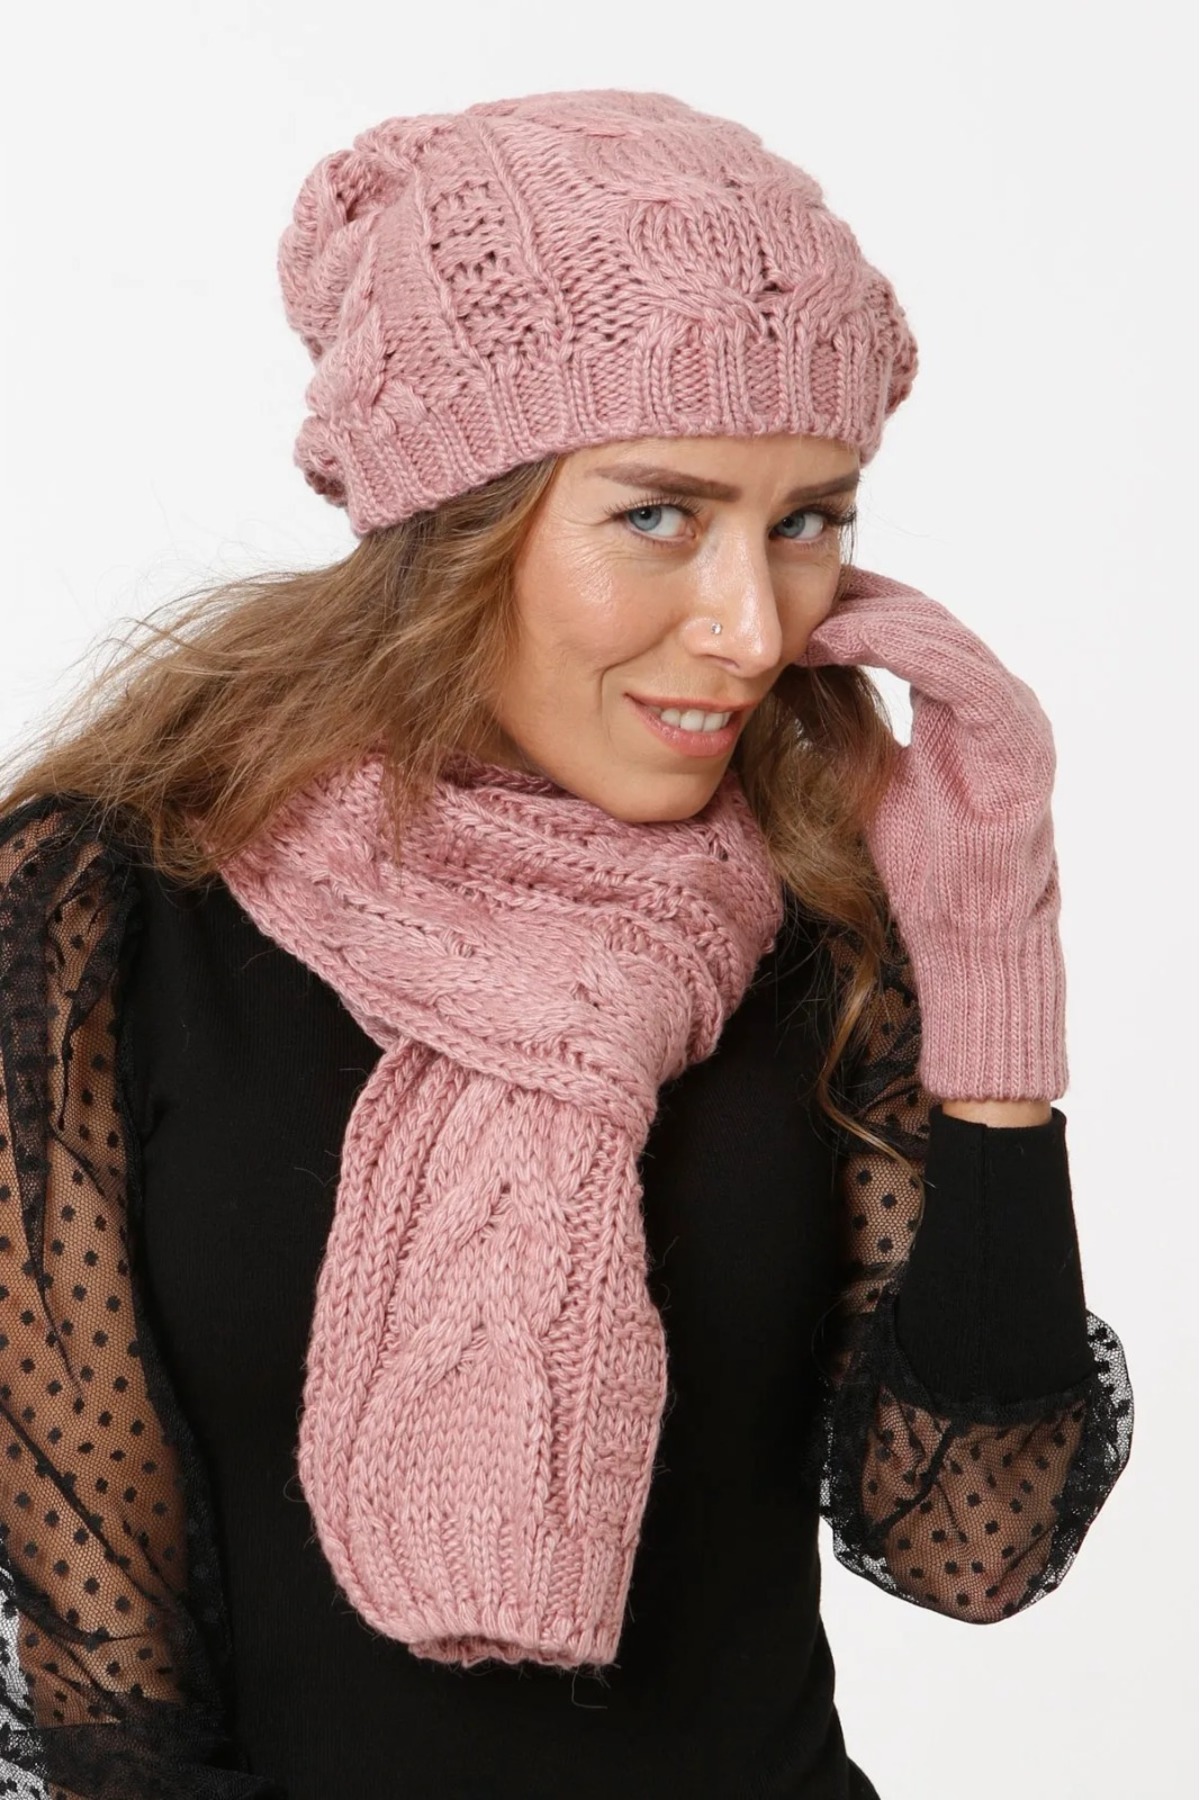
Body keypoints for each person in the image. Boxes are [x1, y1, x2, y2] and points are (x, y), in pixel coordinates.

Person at [0, 88, 1133, 1800]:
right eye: (660, 514)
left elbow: (974, 1536)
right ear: (458, 520)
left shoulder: (820, 904)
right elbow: (111, 1694)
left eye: (808, 520)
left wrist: (992, 985)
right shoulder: (111, 910)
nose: (752, 628)